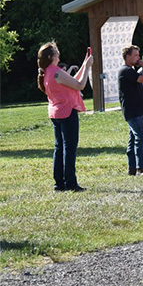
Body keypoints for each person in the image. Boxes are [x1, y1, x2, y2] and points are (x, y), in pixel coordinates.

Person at [37, 42, 93, 191]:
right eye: (56, 52)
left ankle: (59, 184)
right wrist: (87, 67)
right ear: (51, 56)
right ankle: (71, 183)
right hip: (67, 112)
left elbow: (73, 82)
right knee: (69, 149)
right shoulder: (57, 72)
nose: (58, 54)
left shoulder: (48, 72)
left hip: (56, 113)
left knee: (59, 148)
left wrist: (84, 64)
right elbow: (80, 85)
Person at [118, 45, 143, 176]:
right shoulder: (126, 70)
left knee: (133, 139)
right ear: (128, 56)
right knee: (140, 137)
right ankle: (140, 168)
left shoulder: (129, 70)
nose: (138, 58)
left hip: (136, 110)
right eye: (136, 55)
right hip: (133, 111)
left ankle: (132, 168)